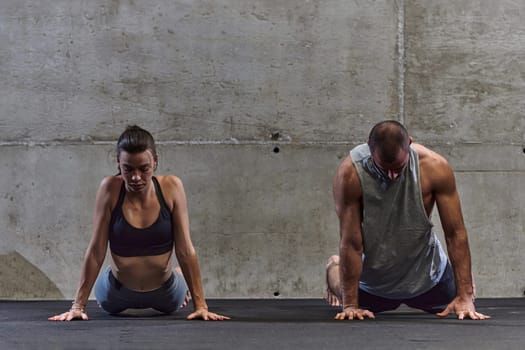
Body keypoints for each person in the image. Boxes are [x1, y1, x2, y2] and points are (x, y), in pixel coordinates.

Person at [49, 125, 229, 321]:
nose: (136, 177)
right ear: (118, 163)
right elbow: (96, 251)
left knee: (177, 273)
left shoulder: (171, 187)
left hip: (167, 296)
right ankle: (166, 274)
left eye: (144, 169)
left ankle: (177, 276)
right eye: (128, 169)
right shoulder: (109, 189)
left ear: (155, 162)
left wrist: (201, 306)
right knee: (108, 272)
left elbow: (185, 249)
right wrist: (78, 306)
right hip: (114, 296)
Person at [326, 120, 489, 321]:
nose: (392, 175)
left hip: (429, 276)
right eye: (384, 169)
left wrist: (464, 296)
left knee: (468, 291)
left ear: (410, 143)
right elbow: (351, 242)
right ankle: (334, 264)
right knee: (341, 286)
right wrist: (350, 304)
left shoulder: (434, 167)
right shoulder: (350, 173)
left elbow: (455, 234)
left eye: (398, 168)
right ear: (369, 149)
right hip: (376, 279)